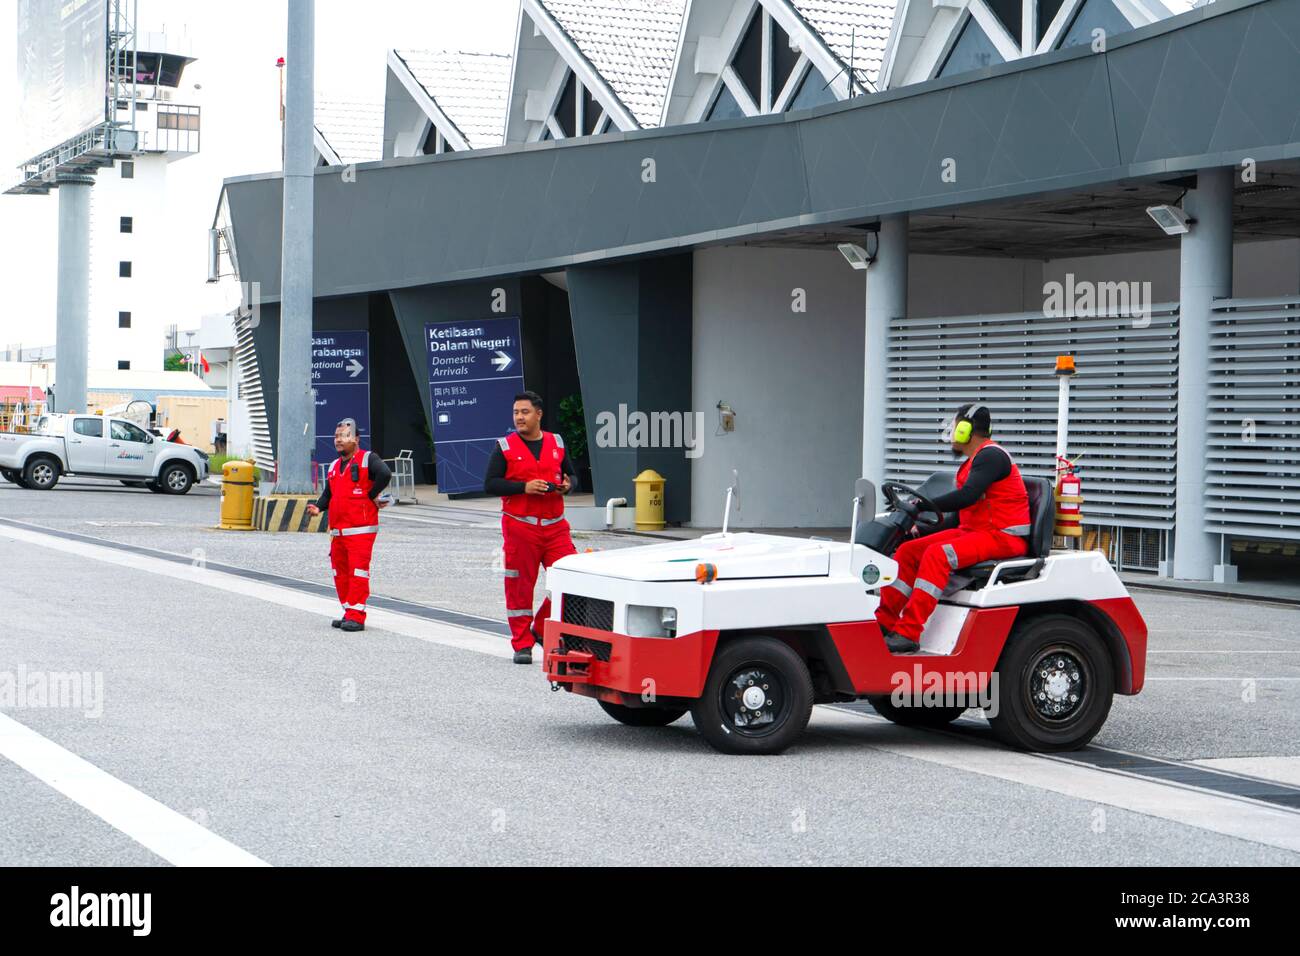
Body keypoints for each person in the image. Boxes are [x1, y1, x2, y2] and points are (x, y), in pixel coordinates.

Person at [876, 404, 1031, 654]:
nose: (951, 433)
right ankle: (885, 622)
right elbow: (960, 518)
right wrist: (919, 530)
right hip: (976, 532)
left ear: (964, 430)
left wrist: (921, 505)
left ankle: (908, 633)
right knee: (908, 551)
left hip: (1004, 536)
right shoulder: (975, 460)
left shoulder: (991, 456)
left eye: (955, 426)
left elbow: (967, 497)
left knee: (938, 554)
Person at [483, 391, 579, 665]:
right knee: (519, 588)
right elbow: (490, 484)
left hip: (556, 527)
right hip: (520, 527)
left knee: (570, 580)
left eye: (524, 412)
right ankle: (522, 644)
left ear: (538, 414)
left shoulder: (556, 442)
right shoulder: (504, 446)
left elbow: (573, 474)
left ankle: (540, 627)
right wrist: (523, 488)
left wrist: (569, 485)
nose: (519, 418)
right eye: (516, 413)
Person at [307, 418, 392, 632]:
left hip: (360, 531)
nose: (338, 440)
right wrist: (319, 507)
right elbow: (329, 493)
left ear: (355, 439)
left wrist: (370, 495)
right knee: (340, 572)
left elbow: (385, 474)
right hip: (338, 531)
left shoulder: (368, 459)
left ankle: (357, 615)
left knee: (357, 573)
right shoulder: (335, 466)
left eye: (343, 436)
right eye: (336, 437)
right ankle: (348, 611)